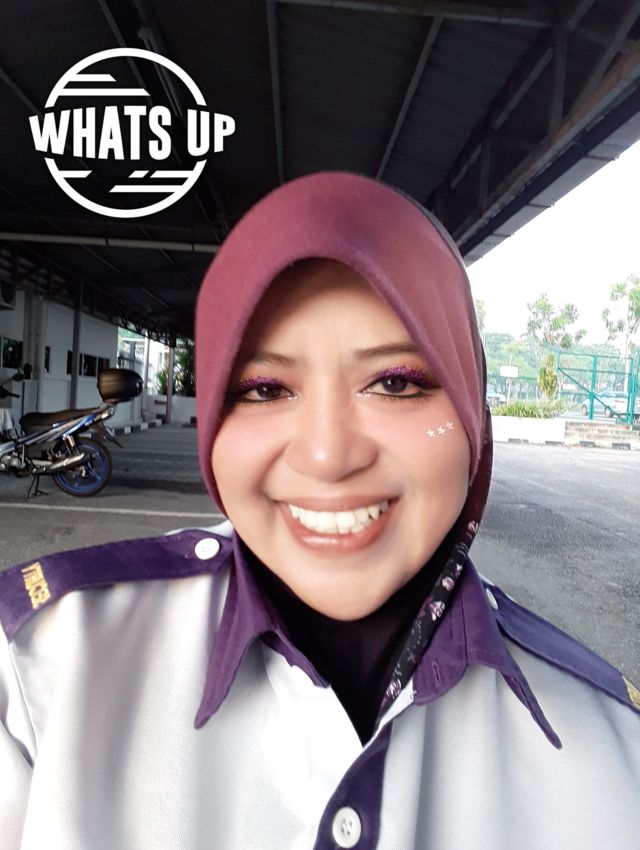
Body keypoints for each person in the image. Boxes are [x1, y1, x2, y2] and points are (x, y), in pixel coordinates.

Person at [0, 172, 638, 850]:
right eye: (265, 389)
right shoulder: (42, 673)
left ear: (471, 409)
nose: (329, 456)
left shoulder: (612, 754)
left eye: (396, 383)